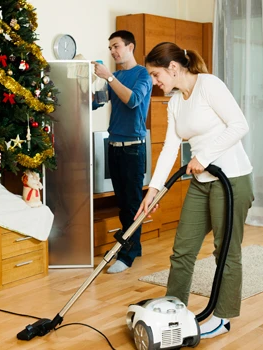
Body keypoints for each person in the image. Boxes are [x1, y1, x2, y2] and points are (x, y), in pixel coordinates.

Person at [135, 42, 254, 339]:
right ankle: (173, 310)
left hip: (232, 179)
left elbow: (239, 125)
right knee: (183, 250)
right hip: (202, 183)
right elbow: (170, 150)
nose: (153, 81)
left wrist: (204, 156)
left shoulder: (209, 86)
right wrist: (153, 190)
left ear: (173, 68)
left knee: (225, 251)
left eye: (155, 73)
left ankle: (223, 317)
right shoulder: (176, 101)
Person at [92, 30, 153, 274]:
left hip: (132, 149)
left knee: (132, 205)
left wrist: (108, 78)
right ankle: (131, 247)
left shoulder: (143, 75)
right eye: (110, 48)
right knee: (122, 204)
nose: (113, 51)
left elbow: (133, 100)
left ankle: (127, 254)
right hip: (113, 147)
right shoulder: (114, 76)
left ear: (130, 46)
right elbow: (97, 102)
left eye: (116, 46)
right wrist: (90, 82)